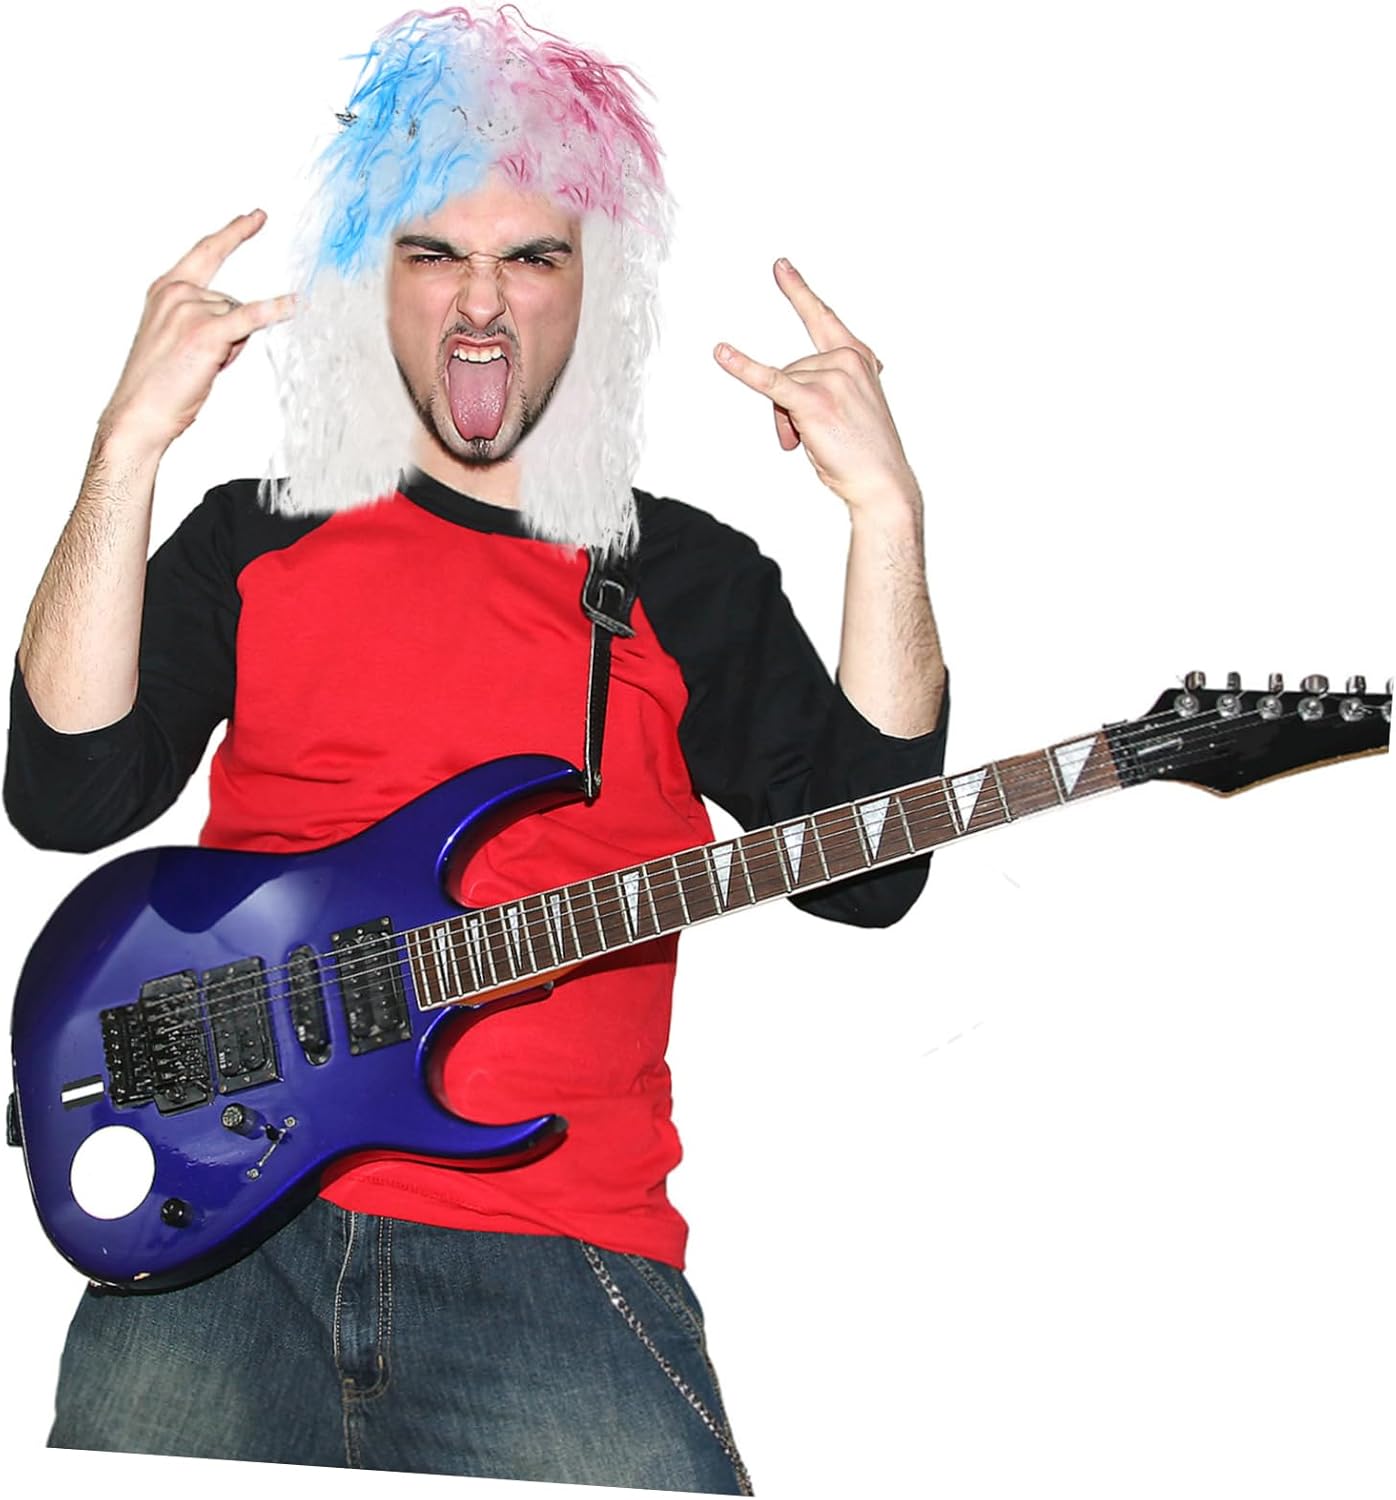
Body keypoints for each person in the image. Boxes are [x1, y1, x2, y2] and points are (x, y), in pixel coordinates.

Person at [4, 7, 947, 1491]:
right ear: (373, 279)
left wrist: (886, 519)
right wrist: (127, 445)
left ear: (594, 287)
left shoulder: (680, 575)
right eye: (436, 253)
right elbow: (65, 792)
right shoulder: (259, 534)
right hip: (225, 1235)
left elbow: (871, 872)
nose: (483, 302)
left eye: (533, 258)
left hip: (559, 1253)